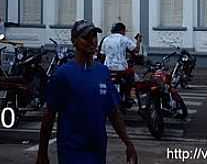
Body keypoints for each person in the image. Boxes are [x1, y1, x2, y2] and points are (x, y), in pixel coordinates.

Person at [36, 20, 138, 164]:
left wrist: (128, 143)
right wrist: (42, 153)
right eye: (86, 37)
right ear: (74, 41)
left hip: (98, 151)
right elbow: (49, 116)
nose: (92, 41)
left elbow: (113, 112)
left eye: (94, 36)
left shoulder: (102, 72)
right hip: (72, 151)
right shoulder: (63, 74)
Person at [100, 22, 141, 107]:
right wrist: (138, 40)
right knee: (131, 74)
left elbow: (102, 54)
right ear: (121, 30)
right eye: (124, 31)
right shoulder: (124, 39)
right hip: (121, 69)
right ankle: (128, 95)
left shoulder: (106, 39)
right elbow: (136, 50)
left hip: (107, 69)